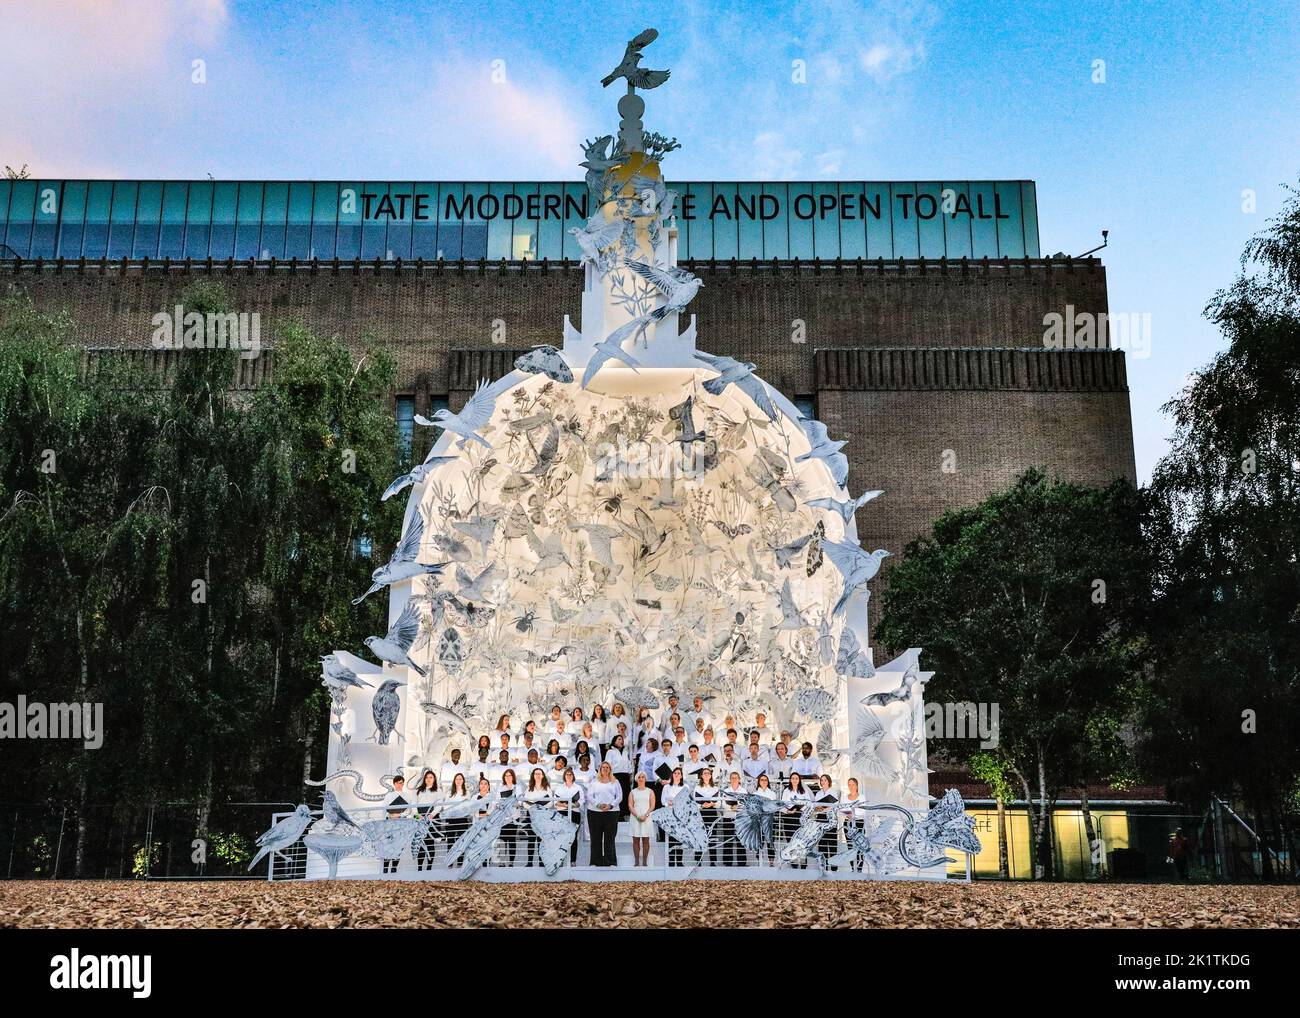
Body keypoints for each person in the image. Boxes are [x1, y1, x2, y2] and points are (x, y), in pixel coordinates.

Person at [587, 761, 622, 866]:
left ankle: (610, 861)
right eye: (603, 767)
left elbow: (619, 796)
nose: (605, 769)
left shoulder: (615, 782)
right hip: (594, 812)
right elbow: (589, 796)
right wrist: (598, 805)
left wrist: (611, 805)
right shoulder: (594, 782)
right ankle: (595, 861)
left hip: (611, 812)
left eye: (607, 767)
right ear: (600, 769)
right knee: (595, 838)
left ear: (610, 769)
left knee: (610, 838)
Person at [553, 767, 584, 865]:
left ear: (573, 776)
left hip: (574, 813)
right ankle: (561, 860)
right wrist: (564, 805)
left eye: (570, 774)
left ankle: (572, 861)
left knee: (573, 838)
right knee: (561, 837)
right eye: (567, 774)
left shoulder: (578, 788)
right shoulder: (559, 787)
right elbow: (555, 802)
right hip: (562, 813)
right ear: (564, 776)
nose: (569, 776)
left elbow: (581, 801)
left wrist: (571, 804)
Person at [413, 769, 441, 871]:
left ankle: (429, 868)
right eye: (427, 777)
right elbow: (413, 807)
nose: (429, 779)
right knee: (420, 843)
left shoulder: (438, 791)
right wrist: (417, 815)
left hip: (431, 819)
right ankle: (419, 868)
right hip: (419, 819)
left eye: (431, 777)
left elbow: (439, 806)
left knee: (430, 843)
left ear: (434, 779)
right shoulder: (418, 791)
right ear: (424, 779)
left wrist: (432, 815)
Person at [522, 768, 551, 867]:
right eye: (535, 774)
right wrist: (533, 807)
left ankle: (541, 862)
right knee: (531, 839)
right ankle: (529, 862)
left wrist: (540, 807)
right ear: (533, 776)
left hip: (543, 816)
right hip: (532, 816)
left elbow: (551, 803)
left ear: (543, 775)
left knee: (541, 840)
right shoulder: (529, 789)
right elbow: (524, 803)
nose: (538, 775)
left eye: (539, 773)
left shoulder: (547, 788)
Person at [781, 772, 810, 866]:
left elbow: (809, 804)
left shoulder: (803, 791)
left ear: (799, 780)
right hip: (789, 816)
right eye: (793, 778)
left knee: (801, 839)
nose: (794, 780)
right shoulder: (786, 791)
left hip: (800, 816)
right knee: (790, 839)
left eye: (796, 778)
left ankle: (802, 861)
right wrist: (788, 811)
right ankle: (793, 861)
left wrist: (802, 808)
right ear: (790, 780)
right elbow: (782, 805)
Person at [628, 771, 657, 867]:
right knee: (635, 840)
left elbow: (652, 805)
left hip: (646, 818)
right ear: (636, 779)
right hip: (635, 817)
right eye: (639, 777)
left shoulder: (650, 791)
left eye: (643, 777)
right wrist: (637, 816)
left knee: (646, 840)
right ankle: (636, 861)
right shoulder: (633, 792)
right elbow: (630, 806)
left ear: (645, 779)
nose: (641, 779)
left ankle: (644, 861)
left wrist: (645, 815)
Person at [443, 772, 471, 866]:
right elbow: (445, 807)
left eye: (460, 779)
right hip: (451, 819)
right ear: (454, 781)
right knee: (450, 841)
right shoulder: (449, 792)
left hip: (462, 819)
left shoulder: (467, 792)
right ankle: (450, 862)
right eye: (457, 779)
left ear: (463, 781)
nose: (458, 781)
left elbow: (468, 806)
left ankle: (460, 862)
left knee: (461, 842)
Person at [695, 767, 721, 866]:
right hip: (701, 813)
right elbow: (694, 801)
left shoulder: (715, 788)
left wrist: (712, 804)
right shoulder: (697, 788)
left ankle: (712, 861)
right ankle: (698, 860)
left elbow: (719, 803)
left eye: (708, 773)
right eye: (704, 773)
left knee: (712, 837)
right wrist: (702, 805)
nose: (706, 775)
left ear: (711, 776)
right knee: (700, 836)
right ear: (701, 775)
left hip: (712, 813)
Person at [719, 771, 747, 867]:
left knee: (741, 841)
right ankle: (727, 862)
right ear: (730, 780)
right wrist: (732, 808)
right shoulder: (726, 791)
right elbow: (723, 804)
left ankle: (742, 862)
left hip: (740, 819)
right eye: (732, 778)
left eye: (736, 777)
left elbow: (745, 804)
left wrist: (736, 807)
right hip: (728, 818)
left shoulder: (743, 791)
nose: (734, 779)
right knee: (727, 841)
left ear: (739, 779)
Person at [662, 768, 687, 867]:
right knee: (671, 838)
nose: (677, 774)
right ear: (672, 775)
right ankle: (671, 861)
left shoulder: (685, 786)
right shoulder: (667, 787)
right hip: (670, 815)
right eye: (675, 773)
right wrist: (668, 803)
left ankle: (680, 861)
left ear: (681, 775)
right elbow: (662, 801)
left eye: (679, 773)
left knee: (680, 838)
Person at [753, 773, 779, 865]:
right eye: (762, 780)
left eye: (765, 780)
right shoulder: (755, 793)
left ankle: (771, 862)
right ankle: (759, 861)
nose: (763, 781)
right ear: (759, 782)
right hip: (758, 820)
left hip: (769, 820)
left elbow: (774, 807)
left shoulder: (772, 793)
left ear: (768, 782)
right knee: (759, 840)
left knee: (770, 841)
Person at [841, 777, 866, 872]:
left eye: (853, 784)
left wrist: (854, 814)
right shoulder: (844, 798)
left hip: (859, 823)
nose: (851, 786)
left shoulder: (861, 797)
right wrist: (849, 814)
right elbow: (841, 809)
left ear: (857, 786)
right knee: (850, 846)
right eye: (849, 784)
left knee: (860, 845)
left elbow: (863, 810)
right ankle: (853, 868)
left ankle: (859, 869)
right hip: (848, 823)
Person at [813, 774, 839, 861]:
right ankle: (824, 866)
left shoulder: (833, 792)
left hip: (830, 818)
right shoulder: (818, 793)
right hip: (820, 818)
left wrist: (824, 809)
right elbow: (815, 806)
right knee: (822, 842)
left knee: (832, 843)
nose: (823, 782)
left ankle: (833, 867)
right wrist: (818, 808)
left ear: (829, 781)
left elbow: (834, 805)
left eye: (825, 780)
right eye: (822, 780)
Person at [497, 768, 520, 866]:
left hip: (513, 817)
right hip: (503, 817)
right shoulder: (500, 788)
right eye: (506, 775)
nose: (508, 777)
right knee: (502, 839)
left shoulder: (517, 787)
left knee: (511, 839)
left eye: (510, 775)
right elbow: (497, 801)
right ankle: (501, 861)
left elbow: (520, 801)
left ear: (513, 777)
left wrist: (512, 803)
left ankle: (511, 862)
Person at [607, 733, 633, 818]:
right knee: (616, 794)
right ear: (614, 741)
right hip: (615, 775)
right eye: (619, 739)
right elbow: (608, 764)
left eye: (622, 739)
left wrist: (630, 774)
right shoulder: (610, 752)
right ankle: (616, 814)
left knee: (625, 794)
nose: (621, 741)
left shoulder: (625, 752)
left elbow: (628, 763)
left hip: (625, 775)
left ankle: (624, 813)